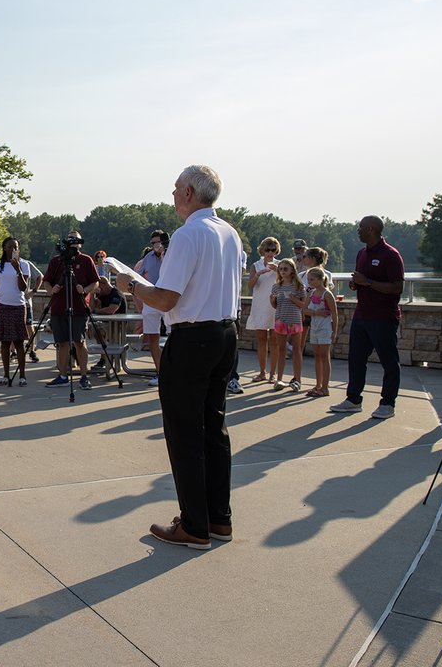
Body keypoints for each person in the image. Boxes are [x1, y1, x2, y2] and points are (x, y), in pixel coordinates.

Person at [116, 165, 243, 551]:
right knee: (213, 430)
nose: (172, 195)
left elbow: (166, 298)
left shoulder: (188, 235)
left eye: (175, 189)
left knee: (185, 434)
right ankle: (218, 519)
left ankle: (193, 526)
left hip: (193, 339)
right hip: (225, 334)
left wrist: (131, 285)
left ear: (189, 192)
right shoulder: (229, 232)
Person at [329, 215, 405, 419]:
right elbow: (361, 280)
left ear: (371, 229)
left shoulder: (391, 255)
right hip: (362, 315)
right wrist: (357, 284)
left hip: (383, 317)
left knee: (389, 362)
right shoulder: (362, 253)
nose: (358, 230)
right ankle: (353, 399)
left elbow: (398, 287)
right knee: (356, 359)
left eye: (360, 227)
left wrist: (368, 282)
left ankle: (388, 404)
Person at [42, 231, 99, 389]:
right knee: (62, 343)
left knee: (79, 342)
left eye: (75, 238)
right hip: (59, 307)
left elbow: (96, 283)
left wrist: (85, 289)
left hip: (79, 308)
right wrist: (51, 290)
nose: (73, 241)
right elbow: (46, 281)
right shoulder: (57, 261)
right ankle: (62, 375)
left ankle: (83, 376)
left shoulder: (86, 260)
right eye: (70, 238)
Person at [0, 237, 31, 387]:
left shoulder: (24, 265)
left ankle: (22, 375)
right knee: (5, 343)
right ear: (4, 248)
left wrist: (18, 270)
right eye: (10, 247)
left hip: (18, 306)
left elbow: (23, 287)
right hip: (2, 306)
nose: (13, 250)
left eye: (16, 247)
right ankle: (6, 375)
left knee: (19, 342)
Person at [296, 266, 337, 398]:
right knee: (317, 356)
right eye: (308, 279)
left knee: (325, 356)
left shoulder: (327, 294)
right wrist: (316, 313)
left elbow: (335, 315)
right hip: (315, 327)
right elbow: (304, 309)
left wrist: (334, 332)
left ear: (320, 279)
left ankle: (325, 387)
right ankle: (318, 384)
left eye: (312, 279)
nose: (310, 282)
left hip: (325, 328)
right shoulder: (311, 293)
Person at [135, 230, 169, 386]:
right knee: (152, 338)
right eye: (154, 243)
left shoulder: (172, 256)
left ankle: (174, 371)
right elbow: (137, 279)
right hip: (150, 301)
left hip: (168, 300)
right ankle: (160, 373)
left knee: (174, 336)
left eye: (159, 242)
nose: (157, 245)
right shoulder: (146, 259)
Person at [245, 237, 280, 383]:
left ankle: (273, 374)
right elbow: (250, 286)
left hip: (275, 304)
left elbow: (290, 281)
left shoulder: (281, 265)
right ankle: (262, 372)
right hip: (260, 304)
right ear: (262, 250)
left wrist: (278, 271)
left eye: (273, 250)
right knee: (261, 339)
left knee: (275, 340)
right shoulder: (256, 265)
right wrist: (259, 274)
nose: (270, 253)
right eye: (267, 250)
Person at [269, 258, 306, 391]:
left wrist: (293, 298)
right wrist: (272, 300)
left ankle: (297, 379)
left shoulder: (299, 286)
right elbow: (275, 306)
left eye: (286, 269)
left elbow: (303, 305)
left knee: (296, 350)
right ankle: (279, 379)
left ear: (292, 271)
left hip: (295, 320)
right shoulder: (276, 286)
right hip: (280, 319)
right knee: (281, 350)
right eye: (281, 269)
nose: (283, 271)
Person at [89, 275, 128, 373]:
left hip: (118, 325)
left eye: (99, 288)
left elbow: (111, 310)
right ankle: (105, 358)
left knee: (100, 332)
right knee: (95, 331)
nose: (99, 291)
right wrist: (92, 294)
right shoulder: (102, 294)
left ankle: (108, 359)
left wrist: (96, 311)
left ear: (104, 284)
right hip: (106, 323)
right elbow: (92, 307)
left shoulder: (116, 294)